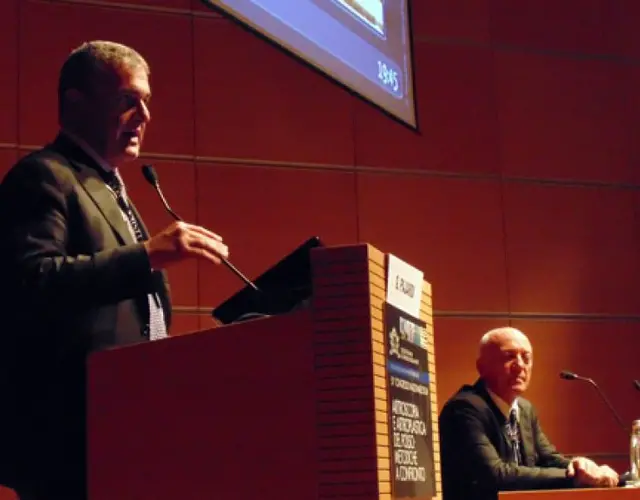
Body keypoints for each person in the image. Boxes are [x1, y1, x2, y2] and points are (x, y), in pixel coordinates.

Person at [0, 41, 229, 500]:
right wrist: (146, 256)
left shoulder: (109, 187)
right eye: (127, 100)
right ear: (75, 102)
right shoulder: (44, 176)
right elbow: (32, 280)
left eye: (146, 101)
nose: (144, 116)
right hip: (69, 438)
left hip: (126, 428)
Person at [438, 327, 619, 500]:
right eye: (509, 357)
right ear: (482, 367)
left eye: (526, 358)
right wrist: (573, 477)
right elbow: (495, 475)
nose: (520, 366)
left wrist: (585, 469)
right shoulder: (464, 409)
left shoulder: (525, 409)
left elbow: (549, 459)